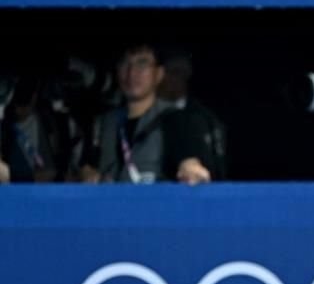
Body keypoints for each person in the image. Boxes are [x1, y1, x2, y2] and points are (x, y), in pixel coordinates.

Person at [80, 43, 214, 185]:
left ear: (159, 73)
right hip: (108, 204)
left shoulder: (178, 119)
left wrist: (190, 168)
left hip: (155, 204)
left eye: (142, 64)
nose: (131, 73)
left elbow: (190, 159)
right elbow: (84, 166)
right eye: (125, 63)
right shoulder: (102, 123)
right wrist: (87, 173)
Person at [156, 47, 228, 181]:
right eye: (169, 72)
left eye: (179, 72)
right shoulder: (149, 116)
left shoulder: (204, 116)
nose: (172, 79)